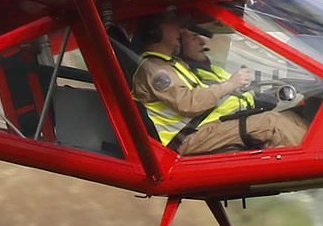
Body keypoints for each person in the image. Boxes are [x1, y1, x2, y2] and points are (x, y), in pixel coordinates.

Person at [130, 11, 307, 155]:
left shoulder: (172, 64)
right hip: (184, 139)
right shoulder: (154, 70)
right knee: (271, 124)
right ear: (154, 32)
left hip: (201, 130)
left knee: (289, 117)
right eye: (172, 24)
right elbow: (188, 103)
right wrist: (230, 84)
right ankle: (310, 162)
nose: (179, 30)